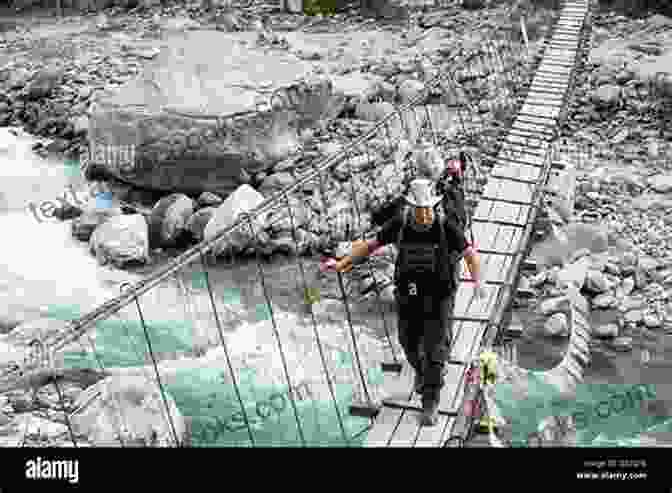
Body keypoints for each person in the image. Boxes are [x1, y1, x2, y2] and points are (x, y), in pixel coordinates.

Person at [322, 178, 486, 426]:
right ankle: (421, 372)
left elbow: (470, 254)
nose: (423, 214)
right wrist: (342, 264)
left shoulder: (445, 226)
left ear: (433, 206)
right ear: (411, 208)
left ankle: (430, 401)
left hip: (439, 296)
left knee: (435, 349)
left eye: (427, 209)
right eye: (419, 210)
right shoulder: (400, 223)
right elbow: (370, 246)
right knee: (408, 342)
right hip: (409, 294)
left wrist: (479, 283)